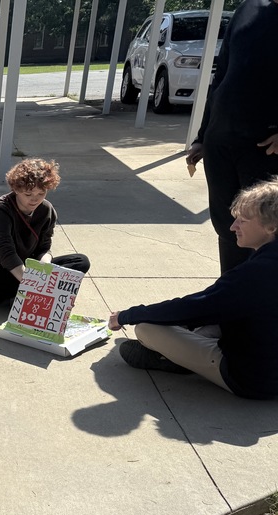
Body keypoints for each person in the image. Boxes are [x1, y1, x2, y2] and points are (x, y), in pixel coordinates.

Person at [109, 177, 278, 399]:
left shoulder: (255, 274)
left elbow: (194, 307)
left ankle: (171, 359)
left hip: (251, 380)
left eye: (243, 221)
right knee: (214, 318)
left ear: (271, 227)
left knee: (146, 328)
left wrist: (126, 315)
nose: (233, 226)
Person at [186, 0, 278, 274]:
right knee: (230, 227)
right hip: (221, 138)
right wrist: (203, 135)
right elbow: (222, 72)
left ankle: (260, 302)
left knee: (263, 226)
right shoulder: (249, 9)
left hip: (264, 146)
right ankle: (231, 297)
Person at [0, 158, 90, 305]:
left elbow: (44, 248)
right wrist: (38, 286)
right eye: (28, 194)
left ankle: (29, 295)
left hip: (27, 270)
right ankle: (37, 295)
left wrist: (45, 266)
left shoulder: (46, 210)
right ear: (16, 189)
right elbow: (6, 254)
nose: (34, 200)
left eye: (41, 193)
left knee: (80, 262)